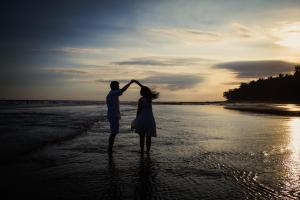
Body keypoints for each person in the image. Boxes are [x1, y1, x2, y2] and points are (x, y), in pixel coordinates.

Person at [106, 80, 134, 155]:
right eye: (117, 86)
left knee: (114, 133)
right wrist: (130, 83)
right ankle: (109, 149)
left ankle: (110, 148)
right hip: (113, 116)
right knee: (113, 133)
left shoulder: (113, 93)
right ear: (114, 87)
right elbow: (123, 89)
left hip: (113, 115)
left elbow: (121, 90)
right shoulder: (113, 93)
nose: (119, 87)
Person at [132, 80, 159, 156]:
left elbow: (138, 110)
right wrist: (138, 83)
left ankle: (142, 151)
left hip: (142, 119)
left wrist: (136, 119)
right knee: (148, 137)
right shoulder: (149, 98)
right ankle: (148, 151)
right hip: (149, 119)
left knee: (141, 136)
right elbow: (145, 89)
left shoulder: (141, 100)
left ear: (141, 92)